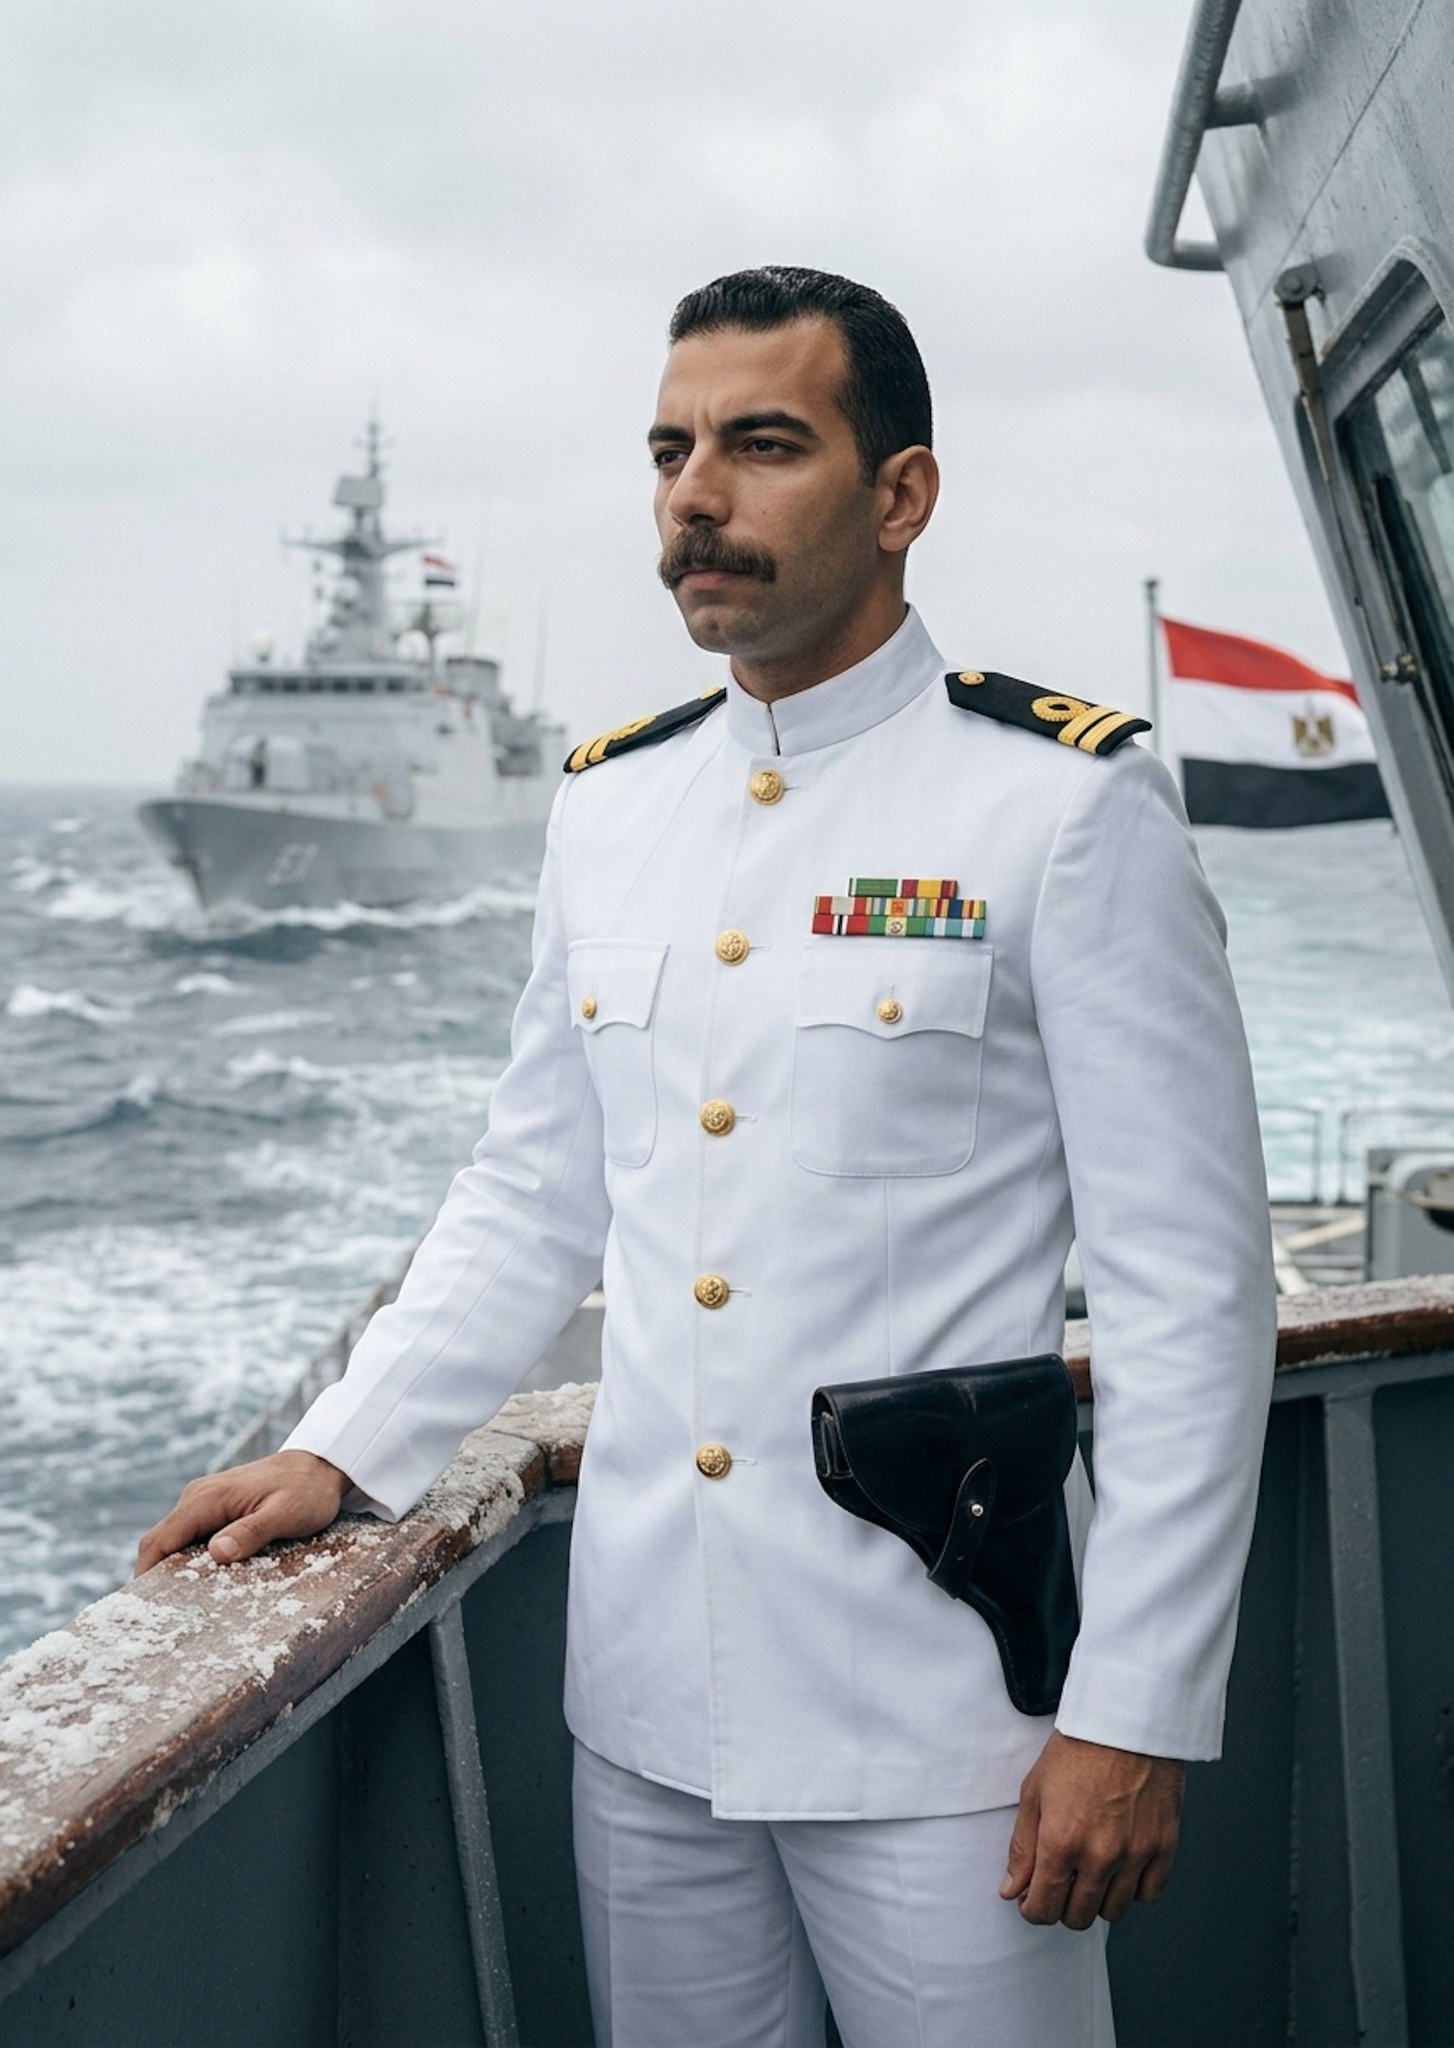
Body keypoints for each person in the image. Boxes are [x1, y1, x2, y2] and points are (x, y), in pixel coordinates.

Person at [139, 266, 1276, 2048]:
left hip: (946, 1724)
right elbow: (535, 1185)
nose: (695, 495)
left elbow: (1188, 1294)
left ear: (897, 494)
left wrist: (1132, 1712)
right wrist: (342, 1449)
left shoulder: (1057, 803)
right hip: (651, 1706)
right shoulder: (611, 805)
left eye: (761, 444)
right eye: (670, 450)